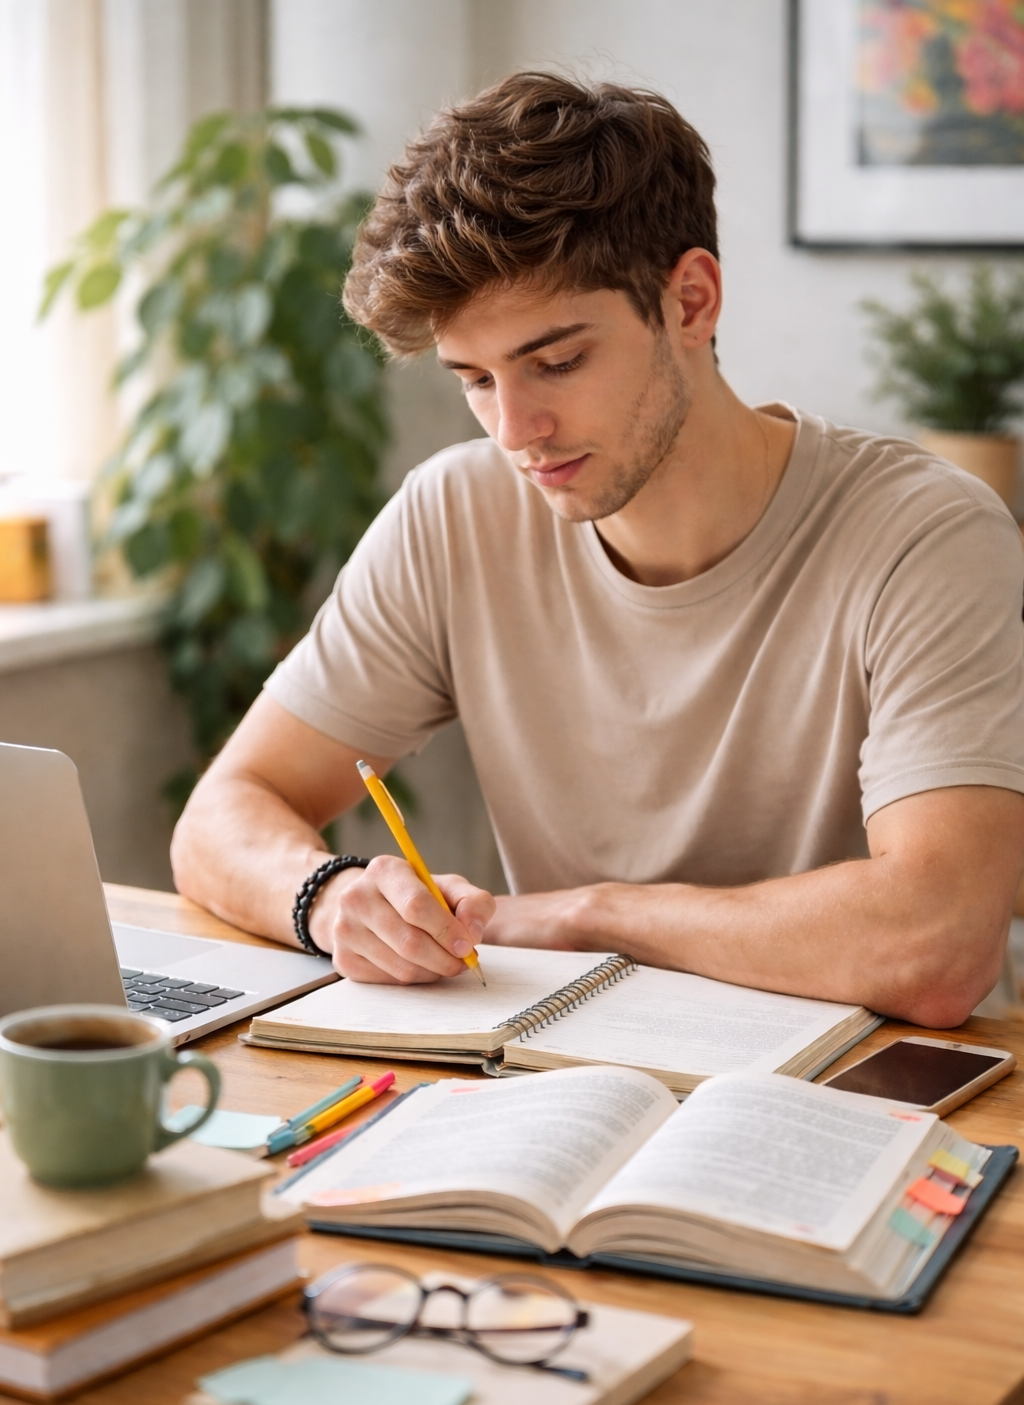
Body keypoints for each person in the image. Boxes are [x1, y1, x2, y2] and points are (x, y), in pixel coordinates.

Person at [172, 73, 1024, 1027]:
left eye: (558, 362)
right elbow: (222, 814)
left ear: (691, 301)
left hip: (864, 1085)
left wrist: (589, 916)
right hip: (570, 1067)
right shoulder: (454, 514)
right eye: (475, 379)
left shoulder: (924, 533)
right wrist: (328, 898)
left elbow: (938, 942)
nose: (515, 430)